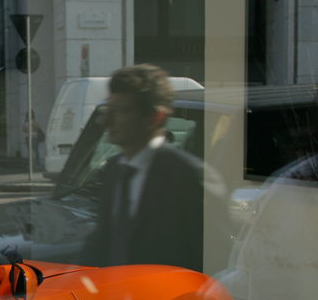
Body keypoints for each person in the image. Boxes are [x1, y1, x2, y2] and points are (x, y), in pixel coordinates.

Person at [83, 64, 228, 273]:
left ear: (155, 117)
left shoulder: (191, 178)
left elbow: (215, 267)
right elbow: (102, 245)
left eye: (121, 110)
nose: (105, 120)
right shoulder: (113, 171)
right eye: (108, 109)